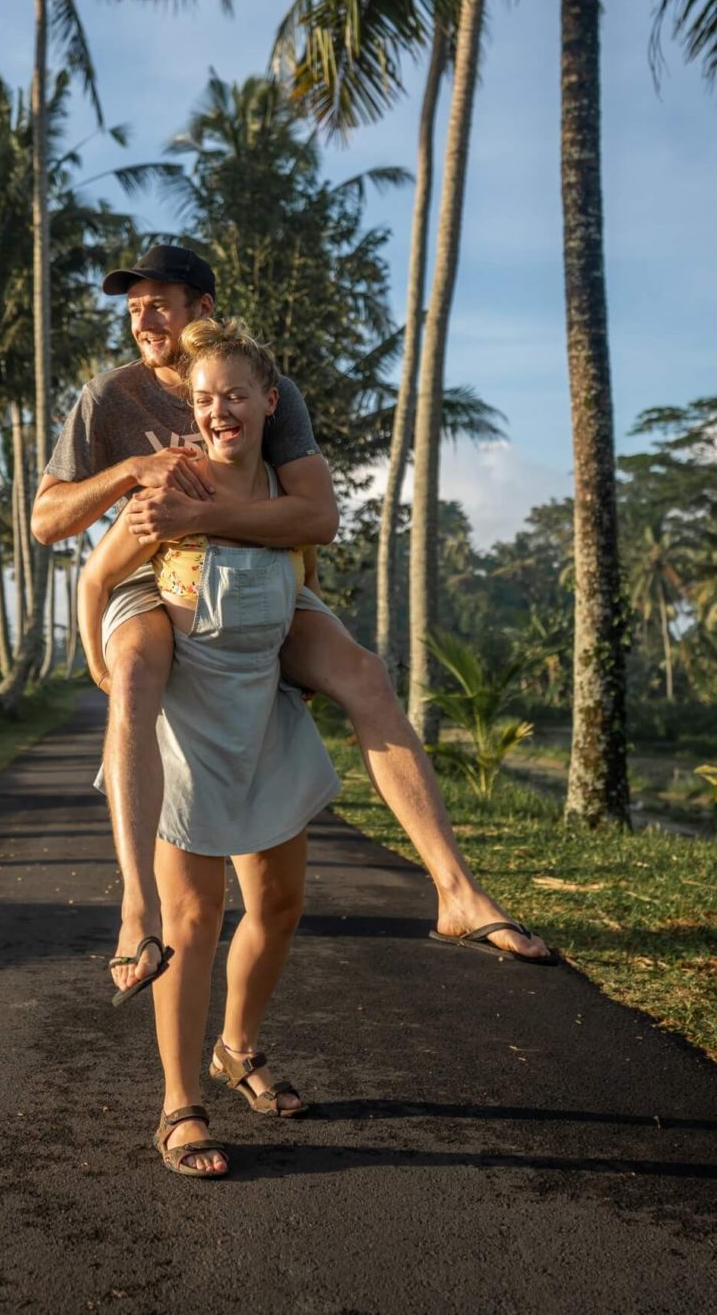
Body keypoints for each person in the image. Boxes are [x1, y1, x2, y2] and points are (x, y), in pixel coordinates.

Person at [32, 244, 554, 993]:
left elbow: (317, 516)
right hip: (151, 574)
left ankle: (455, 891)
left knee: (364, 674)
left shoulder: (264, 390)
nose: (144, 320)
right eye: (133, 307)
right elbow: (49, 522)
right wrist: (130, 473)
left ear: (202, 309)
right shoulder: (109, 399)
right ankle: (136, 908)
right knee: (138, 673)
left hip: (259, 570)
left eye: (159, 303)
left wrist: (205, 512)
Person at [79, 317, 341, 1178]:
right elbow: (95, 575)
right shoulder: (172, 481)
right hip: (186, 725)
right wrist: (102, 664)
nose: (219, 411)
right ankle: (179, 1106)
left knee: (280, 905)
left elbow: (315, 546)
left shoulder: (287, 488)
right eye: (203, 400)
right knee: (193, 923)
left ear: (270, 401)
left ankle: (238, 1048)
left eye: (234, 395)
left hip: (263, 714)